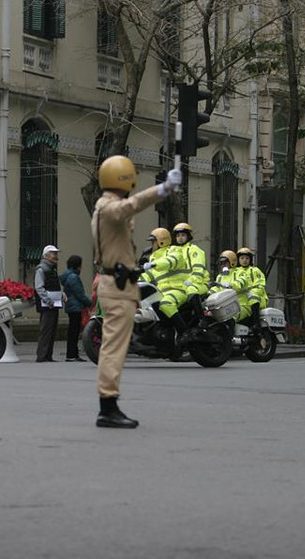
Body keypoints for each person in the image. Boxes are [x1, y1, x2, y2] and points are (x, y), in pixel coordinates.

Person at [91, 154, 182, 428]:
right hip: (117, 288)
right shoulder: (108, 207)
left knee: (115, 348)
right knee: (114, 349)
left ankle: (110, 405)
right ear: (124, 179)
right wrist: (162, 189)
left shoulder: (107, 206)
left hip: (121, 285)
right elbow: (128, 208)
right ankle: (108, 407)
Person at [141, 227, 191, 342]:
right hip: (162, 292)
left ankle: (184, 333)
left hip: (178, 289)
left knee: (166, 304)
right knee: (150, 305)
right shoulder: (153, 257)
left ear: (161, 241)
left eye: (153, 241)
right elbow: (149, 276)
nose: (152, 244)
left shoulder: (175, 250)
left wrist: (153, 264)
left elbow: (170, 261)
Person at [35, 244, 65, 363]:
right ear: (46, 256)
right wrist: (48, 301)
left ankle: (47, 355)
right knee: (46, 330)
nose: (56, 256)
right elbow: (39, 287)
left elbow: (54, 286)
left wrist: (62, 294)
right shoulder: (42, 269)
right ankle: (42, 356)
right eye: (54, 254)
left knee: (51, 329)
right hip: (48, 304)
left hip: (52, 303)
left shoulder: (51, 269)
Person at [60, 254, 91, 362]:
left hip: (71, 306)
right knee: (74, 330)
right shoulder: (73, 277)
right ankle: (72, 354)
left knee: (73, 330)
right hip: (76, 307)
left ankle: (72, 353)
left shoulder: (68, 276)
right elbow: (80, 294)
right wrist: (90, 303)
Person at [172, 223, 209, 301]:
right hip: (181, 284)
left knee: (191, 290)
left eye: (183, 235)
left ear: (188, 236)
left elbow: (198, 271)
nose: (180, 238)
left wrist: (191, 280)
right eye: (178, 236)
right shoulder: (174, 251)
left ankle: (199, 313)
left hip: (198, 283)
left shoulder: (194, 249)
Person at [235, 247, 268, 330]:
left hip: (256, 299)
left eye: (247, 258)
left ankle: (257, 324)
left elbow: (260, 285)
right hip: (240, 300)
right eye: (242, 258)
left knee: (253, 297)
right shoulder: (235, 271)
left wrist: (252, 292)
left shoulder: (255, 270)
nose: (244, 260)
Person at [215, 250, 250, 321]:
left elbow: (241, 282)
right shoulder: (220, 276)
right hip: (225, 306)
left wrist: (230, 285)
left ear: (232, 262)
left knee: (230, 319)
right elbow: (216, 289)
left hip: (241, 305)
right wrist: (209, 293)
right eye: (221, 263)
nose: (222, 265)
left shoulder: (240, 272)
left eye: (225, 263)